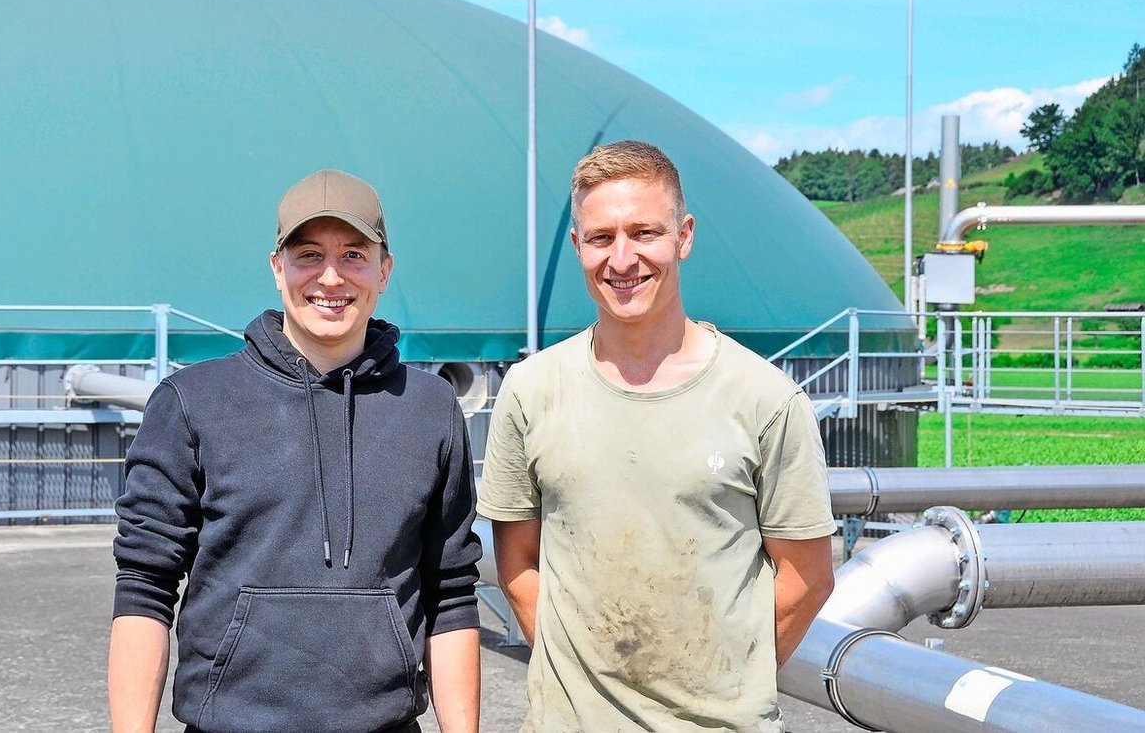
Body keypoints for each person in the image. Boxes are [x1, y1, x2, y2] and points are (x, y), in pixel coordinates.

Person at [478, 140, 835, 732]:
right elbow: (517, 562)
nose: (622, 259)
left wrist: (722, 684)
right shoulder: (532, 390)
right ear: (577, 246)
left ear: (683, 236)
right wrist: (585, 685)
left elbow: (807, 578)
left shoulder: (764, 399)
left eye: (644, 233)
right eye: (601, 238)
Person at [110, 169, 482, 733]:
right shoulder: (192, 401)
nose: (331, 277)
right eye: (309, 254)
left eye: (353, 255)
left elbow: (450, 593)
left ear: (384, 270)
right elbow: (145, 586)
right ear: (277, 266)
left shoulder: (430, 408)